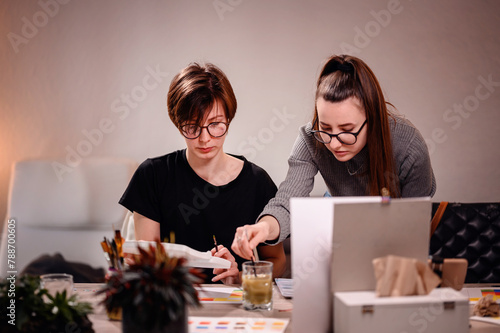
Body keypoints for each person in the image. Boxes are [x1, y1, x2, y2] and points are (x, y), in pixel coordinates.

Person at [231, 54, 436, 260]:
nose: (334, 144)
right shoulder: (311, 138)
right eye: (325, 128)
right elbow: (288, 200)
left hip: (394, 242)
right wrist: (264, 228)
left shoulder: (409, 146)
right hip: (341, 229)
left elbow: (413, 229)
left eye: (347, 130)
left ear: (372, 118)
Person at [119, 62, 286, 283]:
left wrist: (242, 277)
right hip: (172, 303)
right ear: (178, 124)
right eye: (192, 127)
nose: (204, 138)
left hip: (233, 308)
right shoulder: (152, 176)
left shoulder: (257, 182)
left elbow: (278, 261)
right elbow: (149, 265)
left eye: (216, 124)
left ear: (229, 119)